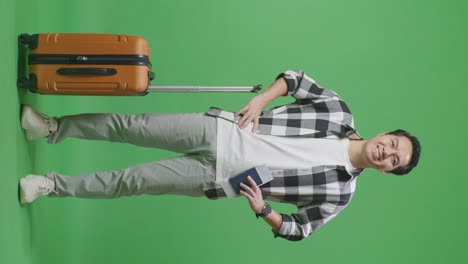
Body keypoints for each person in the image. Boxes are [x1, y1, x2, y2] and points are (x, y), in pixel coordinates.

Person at [18, 70, 421, 241]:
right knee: (133, 124)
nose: (387, 154)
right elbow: (296, 79)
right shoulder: (338, 112)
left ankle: (50, 185)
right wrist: (261, 101)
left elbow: (300, 230)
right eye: (393, 145)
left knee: (132, 181)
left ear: (388, 172)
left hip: (220, 179)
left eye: (393, 161)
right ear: (386, 134)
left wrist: (265, 211)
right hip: (222, 129)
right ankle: (51, 127)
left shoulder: (340, 192)